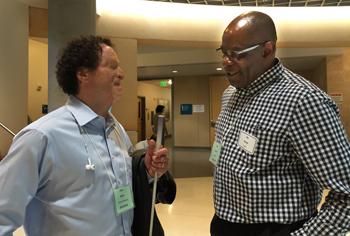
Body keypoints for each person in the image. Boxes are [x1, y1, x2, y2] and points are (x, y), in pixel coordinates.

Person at [0, 36, 175, 236]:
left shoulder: (116, 129)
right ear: (83, 73)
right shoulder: (41, 137)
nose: (122, 74)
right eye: (112, 66)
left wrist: (147, 171)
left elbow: (119, 185)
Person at [211, 11, 350, 236]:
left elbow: (346, 196)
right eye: (224, 52)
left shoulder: (304, 101)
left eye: (237, 53)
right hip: (223, 223)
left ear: (267, 51)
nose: (226, 61)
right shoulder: (229, 95)